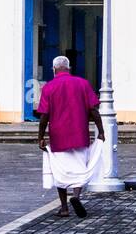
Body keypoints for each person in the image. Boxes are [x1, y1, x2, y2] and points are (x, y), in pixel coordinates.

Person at [37, 55, 105, 218]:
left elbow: (44, 115)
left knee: (60, 170)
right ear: (69, 68)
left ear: (54, 69)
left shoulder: (49, 87)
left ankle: (64, 208)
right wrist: (101, 131)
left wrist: (40, 136)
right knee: (80, 167)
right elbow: (93, 110)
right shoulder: (83, 84)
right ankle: (76, 196)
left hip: (58, 136)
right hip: (80, 134)